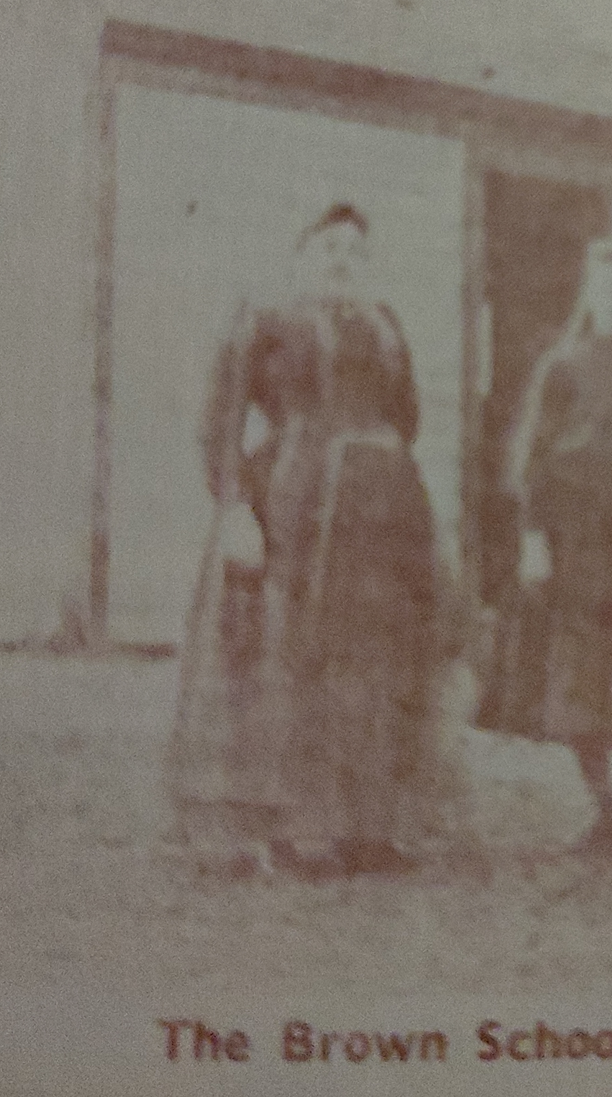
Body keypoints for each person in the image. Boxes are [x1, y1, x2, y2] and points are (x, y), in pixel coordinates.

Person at [168, 202, 441, 880]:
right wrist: (235, 510)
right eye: (326, 247)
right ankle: (292, 829)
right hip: (290, 512)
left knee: (371, 669)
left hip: (376, 526)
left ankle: (367, 828)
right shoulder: (264, 322)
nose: (341, 259)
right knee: (290, 663)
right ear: (299, 257)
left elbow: (406, 417)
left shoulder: (385, 326)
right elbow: (218, 423)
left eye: (354, 248)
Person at [496, 240, 612, 837]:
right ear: (593, 293)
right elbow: (530, 460)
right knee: (581, 672)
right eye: (609, 287)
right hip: (580, 540)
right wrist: (533, 539)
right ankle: (602, 807)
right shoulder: (564, 366)